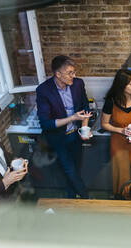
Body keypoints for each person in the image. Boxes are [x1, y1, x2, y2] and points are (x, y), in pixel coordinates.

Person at [36, 55, 91, 199]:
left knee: (74, 169)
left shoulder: (78, 84)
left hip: (76, 135)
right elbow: (46, 123)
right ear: (58, 74)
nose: (74, 75)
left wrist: (84, 128)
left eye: (74, 72)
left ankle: (71, 198)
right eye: (70, 73)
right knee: (70, 169)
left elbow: (85, 106)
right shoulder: (44, 90)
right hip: (58, 138)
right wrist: (72, 118)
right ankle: (87, 199)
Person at [101, 69, 131, 200]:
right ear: (122, 85)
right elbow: (104, 124)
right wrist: (121, 130)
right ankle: (125, 207)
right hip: (119, 145)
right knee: (122, 179)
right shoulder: (111, 101)